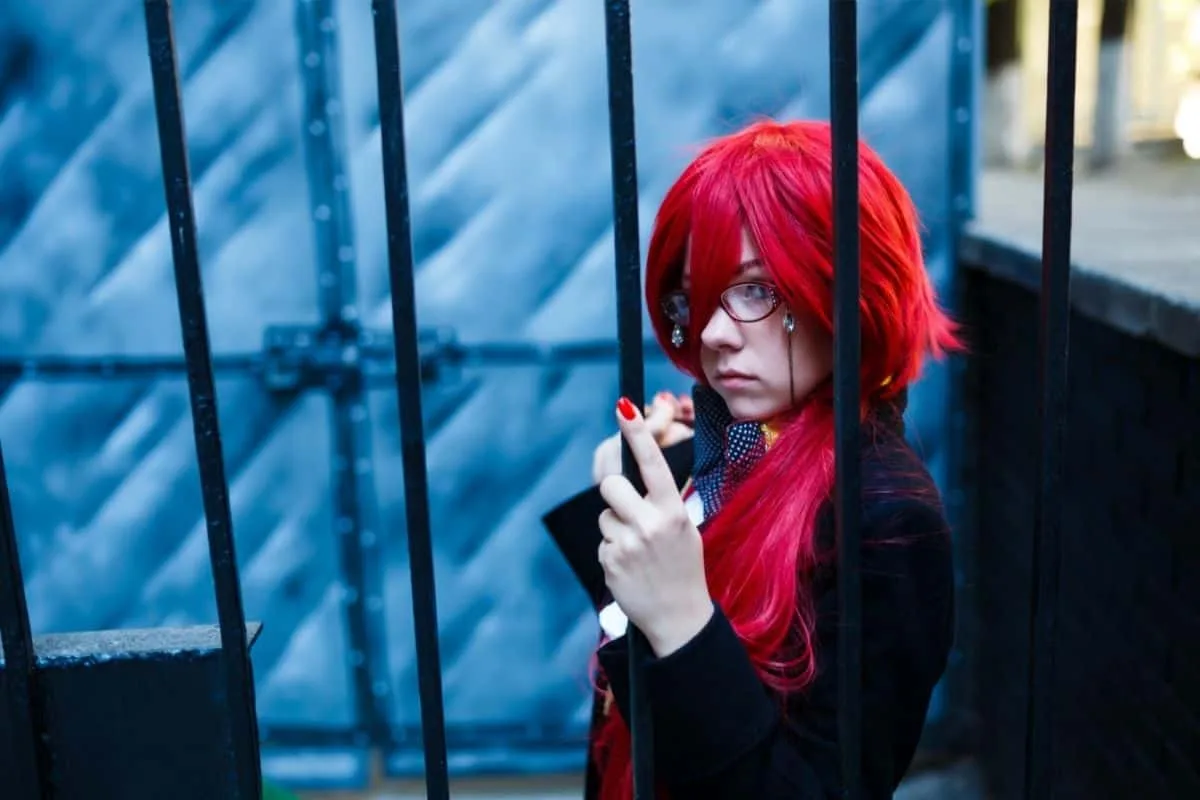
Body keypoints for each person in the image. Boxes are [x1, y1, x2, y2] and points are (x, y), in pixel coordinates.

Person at [542, 118, 961, 799]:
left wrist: (680, 617)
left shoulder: (886, 519)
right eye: (698, 294)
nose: (709, 332)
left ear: (847, 289)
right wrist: (643, 506)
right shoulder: (737, 450)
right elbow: (660, 697)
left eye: (756, 289)